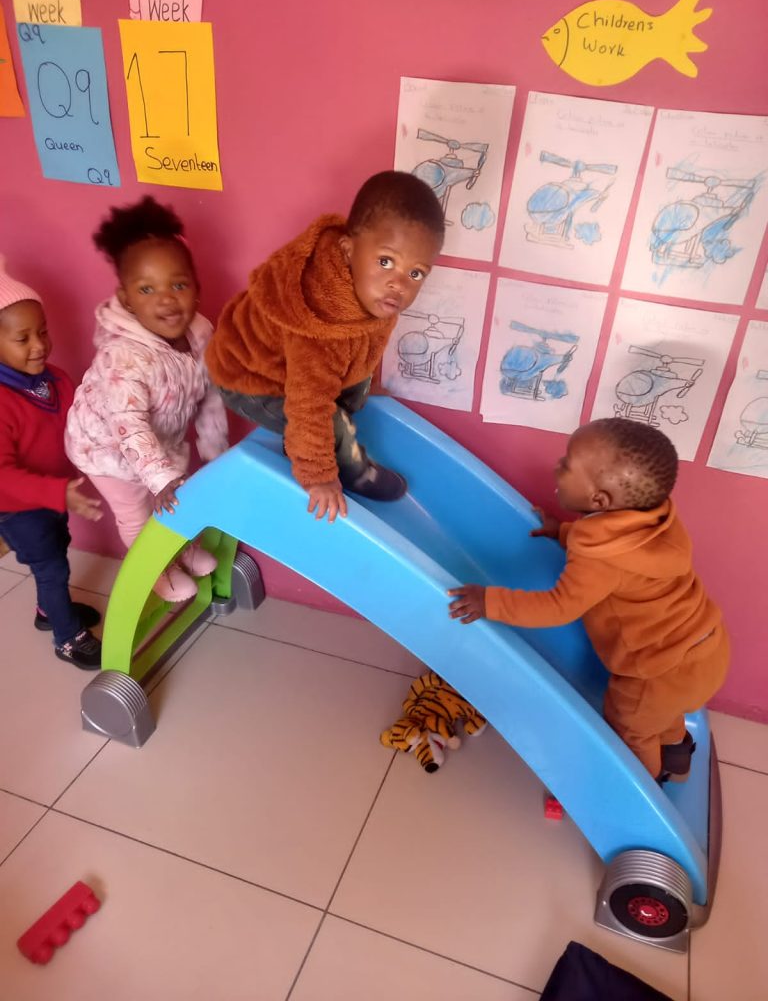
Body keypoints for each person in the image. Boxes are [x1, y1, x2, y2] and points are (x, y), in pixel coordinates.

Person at [448, 417, 729, 783]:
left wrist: (490, 602)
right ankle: (677, 758)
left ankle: (637, 796)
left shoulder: (599, 558)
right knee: (659, 714)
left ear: (599, 500)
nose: (557, 466)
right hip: (704, 648)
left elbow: (558, 607)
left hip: (657, 669)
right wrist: (564, 532)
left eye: (567, 464)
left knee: (631, 729)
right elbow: (615, 544)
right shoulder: (656, 519)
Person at [205, 170, 445, 523]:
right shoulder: (320, 323)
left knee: (353, 386)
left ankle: (330, 423)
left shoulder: (372, 291)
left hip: (297, 368)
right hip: (249, 377)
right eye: (386, 262)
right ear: (348, 250)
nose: (399, 284)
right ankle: (355, 471)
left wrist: (361, 381)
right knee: (329, 421)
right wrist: (318, 477)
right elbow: (309, 405)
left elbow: (364, 343)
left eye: (416, 273)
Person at [65, 197, 229, 602]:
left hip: (159, 438)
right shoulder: (124, 356)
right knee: (138, 510)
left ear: (197, 287)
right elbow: (129, 425)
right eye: (147, 289)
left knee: (174, 498)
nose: (166, 299)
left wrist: (214, 451)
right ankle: (154, 567)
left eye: (179, 285)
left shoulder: (201, 333)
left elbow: (210, 395)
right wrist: (160, 479)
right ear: (127, 299)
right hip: (104, 447)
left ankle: (177, 547)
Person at [0, 257, 103, 668]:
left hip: (55, 497)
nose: (39, 345)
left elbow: (84, 417)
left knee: (58, 548)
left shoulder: (55, 379)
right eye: (22, 338)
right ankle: (66, 637)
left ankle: (48, 610)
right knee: (51, 567)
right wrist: (57, 492)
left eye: (42, 331)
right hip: (18, 510)